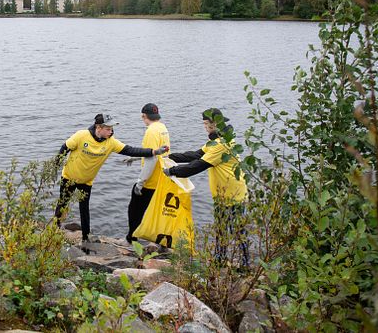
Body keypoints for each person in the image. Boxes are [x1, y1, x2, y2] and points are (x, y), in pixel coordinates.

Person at [55, 113, 169, 242]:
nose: (111, 131)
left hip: (86, 181)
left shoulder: (111, 143)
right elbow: (64, 148)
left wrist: (153, 152)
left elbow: (130, 150)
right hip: (69, 177)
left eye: (112, 129)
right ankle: (55, 226)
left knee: (84, 208)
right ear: (99, 128)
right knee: (63, 202)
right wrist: (55, 167)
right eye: (108, 129)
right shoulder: (81, 136)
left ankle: (85, 238)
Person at [164, 108, 250, 267]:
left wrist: (171, 171)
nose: (204, 127)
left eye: (205, 124)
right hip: (223, 195)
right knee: (221, 230)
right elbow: (196, 155)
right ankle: (219, 262)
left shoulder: (221, 144)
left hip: (233, 195)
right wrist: (171, 157)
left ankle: (245, 266)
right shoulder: (217, 140)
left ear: (214, 124)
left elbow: (198, 166)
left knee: (238, 232)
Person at [126, 103, 171, 244]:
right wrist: (136, 157)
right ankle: (159, 239)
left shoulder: (151, 131)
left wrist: (141, 182)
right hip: (161, 178)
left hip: (150, 180)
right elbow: (156, 152)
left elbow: (151, 159)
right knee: (154, 211)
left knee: (134, 210)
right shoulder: (162, 128)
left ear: (144, 116)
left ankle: (132, 238)